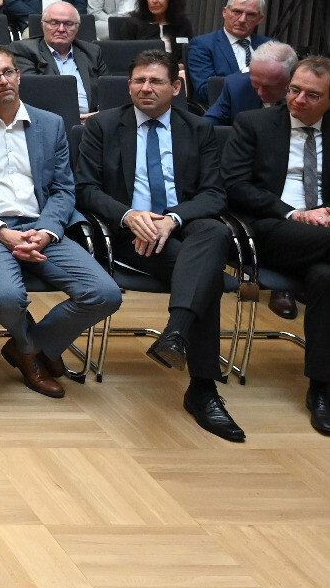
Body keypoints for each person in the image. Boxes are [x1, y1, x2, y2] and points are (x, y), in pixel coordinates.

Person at [73, 50, 244, 439]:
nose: (145, 88)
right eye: (138, 81)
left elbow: (214, 194)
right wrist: (129, 215)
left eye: (156, 81)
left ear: (176, 87)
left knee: (213, 232)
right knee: (208, 276)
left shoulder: (198, 128)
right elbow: (85, 189)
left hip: (183, 226)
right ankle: (203, 388)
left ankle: (176, 334)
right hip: (130, 235)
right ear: (129, 84)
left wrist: (173, 219)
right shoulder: (103, 126)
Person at [0, 46, 120, 398]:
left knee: (105, 294)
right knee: (7, 299)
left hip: (43, 227)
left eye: (8, 72)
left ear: (19, 76)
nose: (3, 80)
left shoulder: (50, 123)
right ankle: (30, 352)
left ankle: (32, 346)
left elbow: (63, 189)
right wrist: (2, 232)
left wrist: (48, 231)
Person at [222, 55, 330, 435]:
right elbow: (235, 186)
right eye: (294, 90)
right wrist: (291, 213)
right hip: (270, 230)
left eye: (311, 95)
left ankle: (322, 389)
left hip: (323, 241)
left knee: (325, 278)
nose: (298, 99)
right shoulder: (255, 123)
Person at [14, 1, 107, 116]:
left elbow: (108, 92)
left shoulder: (92, 52)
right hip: (50, 123)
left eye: (68, 24)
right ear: (43, 25)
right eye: (54, 23)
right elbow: (33, 95)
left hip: (93, 123)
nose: (61, 29)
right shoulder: (25, 50)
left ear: (77, 28)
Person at [187, 0, 271, 100]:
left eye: (250, 15)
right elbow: (206, 90)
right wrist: (248, 75)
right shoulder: (203, 45)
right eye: (237, 12)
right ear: (225, 12)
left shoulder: (270, 46)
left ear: (259, 19)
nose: (242, 19)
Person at [205, 40, 295, 126]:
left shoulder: (302, 98)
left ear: (290, 80)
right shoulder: (236, 86)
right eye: (255, 83)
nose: (260, 92)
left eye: (268, 86)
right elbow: (206, 125)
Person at [128, 0, 193, 51]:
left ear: (171, 0)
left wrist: (182, 62)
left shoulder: (183, 24)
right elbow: (124, 54)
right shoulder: (133, 24)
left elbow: (189, 51)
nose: (154, 1)